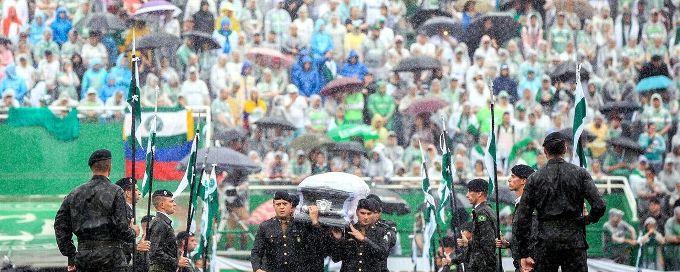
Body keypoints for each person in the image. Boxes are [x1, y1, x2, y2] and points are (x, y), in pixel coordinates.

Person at [514, 132, 606, 272]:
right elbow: (599, 205)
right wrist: (587, 219)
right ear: (565, 149)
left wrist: (523, 253)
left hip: (545, 242)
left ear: (545, 151)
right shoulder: (580, 174)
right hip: (574, 241)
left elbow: (523, 218)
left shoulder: (534, 178)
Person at [54, 149, 139, 271]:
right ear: (109, 166)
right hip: (112, 258)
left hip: (85, 258)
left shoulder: (75, 193)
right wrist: (133, 232)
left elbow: (60, 225)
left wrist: (71, 255)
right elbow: (122, 228)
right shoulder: (116, 191)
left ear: (92, 168)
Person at [250, 191, 325, 272]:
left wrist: (315, 222)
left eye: (285, 204)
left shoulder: (301, 224)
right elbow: (256, 251)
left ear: (291, 205)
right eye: (278, 204)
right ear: (274, 206)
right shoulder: (265, 226)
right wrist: (257, 268)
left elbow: (317, 244)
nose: (281, 207)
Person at [330, 198, 391, 272]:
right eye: (362, 213)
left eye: (369, 213)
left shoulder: (382, 231)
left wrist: (364, 239)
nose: (366, 217)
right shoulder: (348, 229)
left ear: (373, 214)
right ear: (357, 212)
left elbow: (382, 254)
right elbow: (336, 258)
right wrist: (338, 240)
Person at [496, 165, 535, 272]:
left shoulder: (531, 205)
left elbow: (534, 237)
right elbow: (523, 238)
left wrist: (526, 257)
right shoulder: (520, 204)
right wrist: (508, 244)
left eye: (513, 176)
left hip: (529, 265)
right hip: (520, 263)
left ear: (523, 180)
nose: (509, 179)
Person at [455, 178, 497, 272]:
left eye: (470, 191)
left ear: (479, 193)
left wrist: (468, 242)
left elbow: (487, 242)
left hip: (483, 266)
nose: (467, 195)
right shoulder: (485, 210)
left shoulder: (482, 213)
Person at [148, 190, 190, 271]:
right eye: (171, 201)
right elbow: (155, 251)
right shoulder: (159, 223)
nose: (175, 204)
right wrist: (176, 262)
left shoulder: (163, 222)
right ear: (162, 205)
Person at [114, 178, 151, 268]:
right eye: (136, 190)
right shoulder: (123, 210)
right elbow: (117, 238)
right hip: (118, 260)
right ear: (128, 193)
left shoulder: (127, 209)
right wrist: (136, 246)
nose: (139, 193)